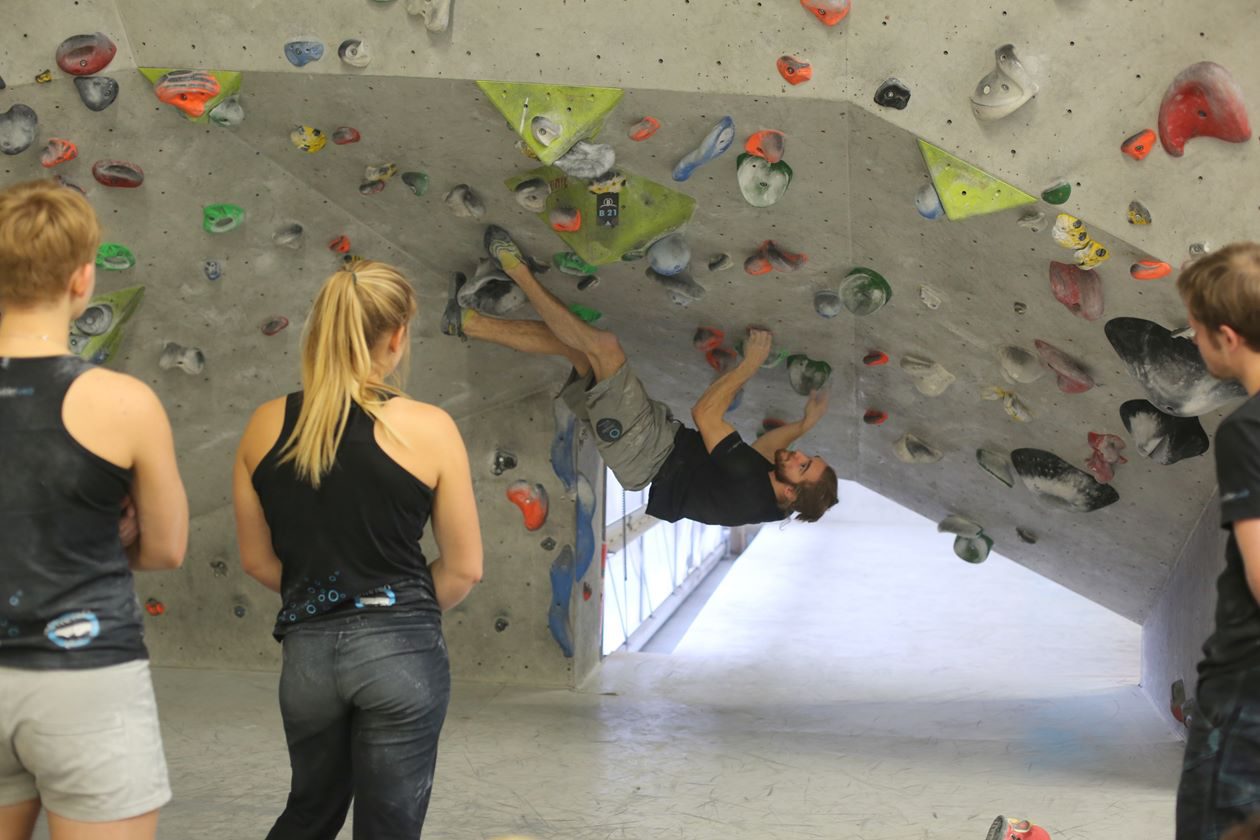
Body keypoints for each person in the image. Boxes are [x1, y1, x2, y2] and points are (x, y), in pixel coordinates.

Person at [233, 259, 483, 839]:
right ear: (396, 337)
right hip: (401, 652)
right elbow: (465, 568)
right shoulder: (429, 427)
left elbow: (257, 560)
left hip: (308, 660)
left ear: (319, 330)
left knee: (309, 815)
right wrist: (398, 610)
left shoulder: (263, 425)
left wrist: (329, 599)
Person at [0, 179, 189, 840]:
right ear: (83, 281)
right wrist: (105, 542)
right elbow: (165, 549)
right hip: (85, 675)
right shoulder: (123, 402)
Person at [441, 224, 837, 526]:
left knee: (604, 347)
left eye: (803, 466)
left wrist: (749, 365)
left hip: (647, 450)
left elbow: (705, 414)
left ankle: (516, 269)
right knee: (575, 349)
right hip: (649, 451)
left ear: (789, 490)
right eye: (811, 457)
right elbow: (769, 448)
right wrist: (802, 424)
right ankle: (467, 322)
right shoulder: (777, 498)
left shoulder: (750, 488)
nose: (801, 456)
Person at [1176, 243, 1260, 840]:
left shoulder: (1246, 432)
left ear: (1227, 338)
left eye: (1197, 330)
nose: (1193, 338)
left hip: (1246, 685)